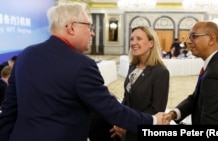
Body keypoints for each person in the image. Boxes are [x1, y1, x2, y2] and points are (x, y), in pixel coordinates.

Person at [0, 4, 167, 141]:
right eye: (89, 27)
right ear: (72, 27)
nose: (93, 32)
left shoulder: (26, 55)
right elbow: (111, 109)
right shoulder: (82, 65)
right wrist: (153, 120)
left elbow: (9, 110)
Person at [165, 21, 218, 124]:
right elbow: (195, 98)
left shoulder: (216, 73)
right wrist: (173, 114)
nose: (188, 41)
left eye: (193, 36)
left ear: (211, 39)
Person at [110, 26, 170, 141]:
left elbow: (156, 109)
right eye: (132, 39)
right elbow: (127, 98)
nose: (133, 43)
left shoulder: (160, 71)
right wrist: (119, 120)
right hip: (125, 130)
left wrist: (128, 125)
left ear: (151, 43)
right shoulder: (133, 66)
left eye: (139, 39)